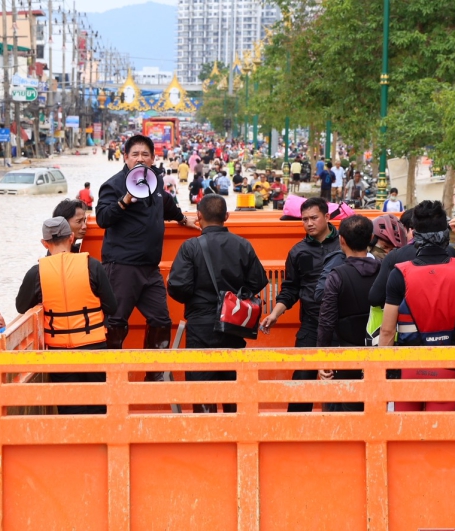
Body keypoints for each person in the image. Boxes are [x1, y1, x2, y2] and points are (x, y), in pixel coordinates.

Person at [378, 202, 455, 411]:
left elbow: (387, 332)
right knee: (441, 428)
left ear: (415, 235)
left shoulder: (399, 274)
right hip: (448, 367)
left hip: (409, 368)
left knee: (407, 428)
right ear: (446, 235)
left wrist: (382, 372)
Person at [95, 134, 199, 364]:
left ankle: (155, 375)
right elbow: (102, 218)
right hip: (122, 265)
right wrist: (125, 200)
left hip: (150, 268)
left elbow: (165, 202)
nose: (140, 159)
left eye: (145, 154)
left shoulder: (155, 182)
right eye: (135, 154)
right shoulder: (113, 185)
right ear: (125, 157)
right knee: (115, 322)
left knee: (161, 321)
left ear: (152, 158)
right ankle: (111, 375)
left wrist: (183, 219)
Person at [167, 195, 268, 413]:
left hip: (201, 324)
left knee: (202, 386)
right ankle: (234, 427)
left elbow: (179, 287)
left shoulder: (191, 247)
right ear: (226, 216)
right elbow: (259, 281)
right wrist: (236, 297)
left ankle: (207, 429)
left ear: (199, 216)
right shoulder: (242, 244)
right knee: (233, 384)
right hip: (234, 323)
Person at [15, 217, 117, 414]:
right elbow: (112, 307)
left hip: (59, 351)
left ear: (44, 243)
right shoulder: (92, 266)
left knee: (71, 408)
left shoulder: (37, 273)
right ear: (71, 238)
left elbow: (21, 306)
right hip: (94, 348)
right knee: (99, 406)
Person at [260, 197, 341, 412]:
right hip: (311, 324)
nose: (309, 223)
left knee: (341, 383)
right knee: (302, 380)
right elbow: (290, 289)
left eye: (314, 218)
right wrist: (275, 314)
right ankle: (295, 426)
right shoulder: (298, 251)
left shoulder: (344, 245)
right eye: (305, 219)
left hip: (341, 325)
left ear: (327, 217)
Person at [317, 215, 379, 412]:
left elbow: (326, 321)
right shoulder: (385, 271)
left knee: (347, 411)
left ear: (341, 239)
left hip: (347, 355)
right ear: (371, 238)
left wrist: (322, 358)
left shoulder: (337, 276)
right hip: (381, 354)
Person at [368, 208, 455, 309]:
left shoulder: (395, 256)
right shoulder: (451, 252)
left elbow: (375, 298)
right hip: (445, 314)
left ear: (411, 229)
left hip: (407, 316)